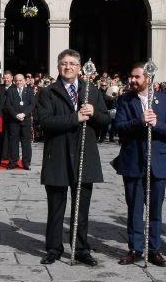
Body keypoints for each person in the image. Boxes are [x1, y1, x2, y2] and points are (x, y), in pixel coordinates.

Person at [35, 50, 110, 266]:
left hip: (84, 156)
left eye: (73, 63)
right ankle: (53, 248)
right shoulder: (48, 92)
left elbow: (105, 120)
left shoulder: (91, 91)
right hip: (57, 156)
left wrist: (94, 112)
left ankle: (80, 248)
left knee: (81, 208)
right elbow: (45, 121)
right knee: (56, 206)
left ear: (79, 67)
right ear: (58, 66)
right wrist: (75, 117)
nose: (68, 67)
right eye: (64, 63)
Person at [113, 63, 166, 267]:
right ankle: (135, 248)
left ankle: (154, 249)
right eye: (131, 77)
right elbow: (119, 128)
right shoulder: (125, 100)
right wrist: (140, 121)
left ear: (148, 78)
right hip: (133, 161)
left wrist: (156, 124)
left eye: (136, 77)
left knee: (155, 210)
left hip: (157, 162)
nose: (132, 81)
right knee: (134, 209)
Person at [3, 73, 35, 170]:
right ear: (14, 81)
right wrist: (16, 115)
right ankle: (13, 161)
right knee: (13, 141)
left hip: (26, 119)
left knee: (26, 142)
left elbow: (32, 104)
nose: (18, 82)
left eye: (20, 80)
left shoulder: (29, 91)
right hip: (14, 120)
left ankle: (26, 162)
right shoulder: (11, 91)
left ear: (24, 81)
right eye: (16, 80)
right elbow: (8, 105)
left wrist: (24, 114)